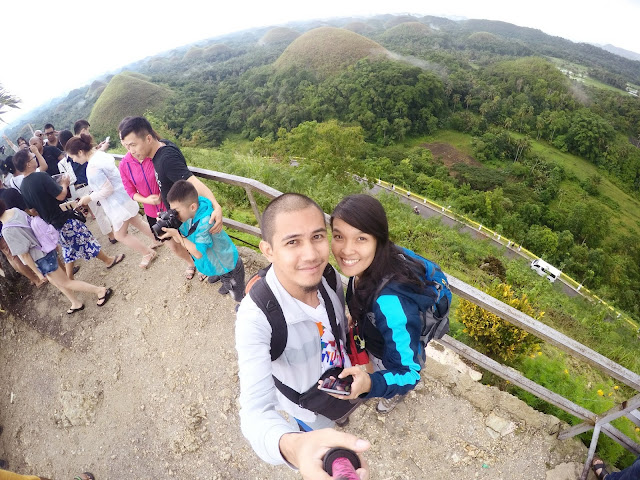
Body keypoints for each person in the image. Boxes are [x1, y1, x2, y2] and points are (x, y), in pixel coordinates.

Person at [235, 193, 369, 478]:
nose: (311, 254)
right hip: (305, 403)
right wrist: (297, 447)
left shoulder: (328, 276)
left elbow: (337, 324)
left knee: (338, 415)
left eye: (318, 237)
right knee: (316, 428)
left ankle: (339, 416)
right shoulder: (256, 318)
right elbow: (255, 411)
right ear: (268, 250)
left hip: (338, 376)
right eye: (292, 242)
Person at [328, 194, 445, 413]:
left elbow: (410, 371)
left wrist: (371, 384)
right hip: (374, 333)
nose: (346, 250)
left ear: (378, 240)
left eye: (361, 238)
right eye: (338, 236)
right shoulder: (368, 265)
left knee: (388, 372)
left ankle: (393, 396)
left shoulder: (390, 303)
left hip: (384, 352)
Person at [118, 116, 223, 277]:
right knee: (185, 245)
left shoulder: (165, 159)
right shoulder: (160, 149)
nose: (131, 151)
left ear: (148, 138)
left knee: (202, 246)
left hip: (189, 214)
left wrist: (216, 206)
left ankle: (221, 273)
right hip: (172, 213)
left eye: (133, 145)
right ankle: (208, 269)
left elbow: (192, 182)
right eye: (127, 146)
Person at [13, 149, 124, 279]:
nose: (34, 159)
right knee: (85, 239)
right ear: (28, 164)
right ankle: (108, 260)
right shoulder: (41, 176)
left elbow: (32, 210)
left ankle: (69, 278)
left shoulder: (23, 187)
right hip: (64, 217)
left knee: (68, 248)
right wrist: (64, 184)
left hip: (51, 223)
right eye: (32, 157)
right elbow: (61, 196)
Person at [0, 199, 113, 314]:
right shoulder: (15, 211)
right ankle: (75, 302)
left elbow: (24, 254)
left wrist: (37, 273)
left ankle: (100, 291)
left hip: (41, 258)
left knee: (65, 282)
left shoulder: (7, 231)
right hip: (46, 246)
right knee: (56, 281)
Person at [65, 134, 161, 269]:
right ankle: (157, 238)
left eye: (73, 156)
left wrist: (89, 198)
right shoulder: (99, 155)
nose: (74, 160)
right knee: (136, 221)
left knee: (120, 235)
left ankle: (147, 253)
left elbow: (107, 190)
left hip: (116, 202)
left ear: (80, 152)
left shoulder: (92, 168)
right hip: (123, 194)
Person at [118, 141, 195, 277]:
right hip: (152, 213)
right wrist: (147, 200)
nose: (129, 147)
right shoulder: (124, 164)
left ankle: (202, 263)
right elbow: (130, 191)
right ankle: (191, 263)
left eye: (131, 142)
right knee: (172, 245)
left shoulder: (153, 154)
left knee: (190, 236)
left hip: (173, 207)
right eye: (124, 142)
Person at [161, 180, 244, 296]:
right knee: (219, 272)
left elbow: (198, 253)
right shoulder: (188, 213)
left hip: (228, 265)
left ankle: (237, 296)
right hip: (214, 259)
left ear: (193, 207)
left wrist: (177, 234)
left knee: (237, 294)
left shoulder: (206, 222)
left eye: (176, 211)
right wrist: (168, 226)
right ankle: (220, 276)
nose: (174, 214)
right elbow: (180, 238)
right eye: (171, 210)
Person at [58, 130, 116, 244]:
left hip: (82, 187)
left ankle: (113, 233)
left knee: (100, 210)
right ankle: (112, 234)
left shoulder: (63, 163)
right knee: (101, 210)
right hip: (90, 185)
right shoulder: (79, 154)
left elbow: (68, 180)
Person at [0, 182, 46, 287]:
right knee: (23, 252)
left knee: (12, 257)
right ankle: (39, 274)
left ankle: (35, 279)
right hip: (8, 227)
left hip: (3, 231)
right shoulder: (9, 193)